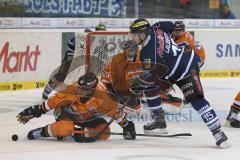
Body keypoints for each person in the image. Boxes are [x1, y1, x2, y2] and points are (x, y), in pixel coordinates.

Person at [128, 18, 230, 148]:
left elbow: (151, 74)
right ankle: (159, 121)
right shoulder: (157, 27)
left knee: (197, 100)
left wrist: (137, 85)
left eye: (134, 35)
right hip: (174, 66)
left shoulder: (146, 53)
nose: (132, 38)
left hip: (186, 70)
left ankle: (218, 133)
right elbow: (171, 25)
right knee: (150, 87)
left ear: (142, 34)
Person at [17, 73, 136, 142]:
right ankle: (43, 131)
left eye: (84, 90)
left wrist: (128, 126)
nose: (79, 91)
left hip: (86, 117)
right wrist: (33, 111)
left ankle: (76, 133)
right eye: (79, 87)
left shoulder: (103, 97)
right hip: (67, 112)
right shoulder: (71, 91)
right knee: (65, 127)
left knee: (105, 132)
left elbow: (114, 112)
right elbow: (50, 104)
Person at [41, 24, 107, 101]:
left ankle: (80, 98)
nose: (101, 34)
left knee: (85, 79)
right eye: (99, 31)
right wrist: (83, 38)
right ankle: (46, 92)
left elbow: (101, 55)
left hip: (85, 60)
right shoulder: (89, 36)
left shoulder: (102, 42)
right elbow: (71, 43)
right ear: (96, 31)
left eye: (103, 32)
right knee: (62, 75)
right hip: (72, 57)